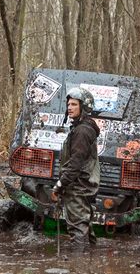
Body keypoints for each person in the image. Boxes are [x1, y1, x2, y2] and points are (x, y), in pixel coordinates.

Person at [52, 87, 101, 247]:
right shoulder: (83, 128)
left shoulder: (82, 132)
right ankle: (91, 261)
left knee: (78, 229)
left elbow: (75, 164)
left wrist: (60, 185)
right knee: (85, 225)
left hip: (77, 187)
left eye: (74, 104)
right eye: (68, 104)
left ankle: (78, 264)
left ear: (84, 107)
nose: (69, 107)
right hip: (83, 186)